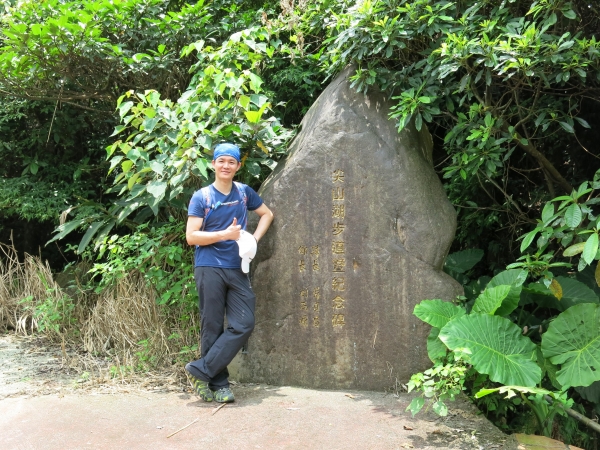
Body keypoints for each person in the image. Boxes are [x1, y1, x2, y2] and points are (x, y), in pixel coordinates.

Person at [184, 142, 273, 403]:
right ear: (213, 164)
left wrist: (253, 239)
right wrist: (226, 234)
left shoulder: (244, 193)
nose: (226, 166)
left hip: (237, 267)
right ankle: (219, 384)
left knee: (243, 323)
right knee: (211, 325)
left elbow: (267, 214)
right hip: (209, 266)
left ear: (237, 166)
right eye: (221, 161)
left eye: (231, 162)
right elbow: (191, 237)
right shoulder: (202, 197)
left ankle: (201, 370)